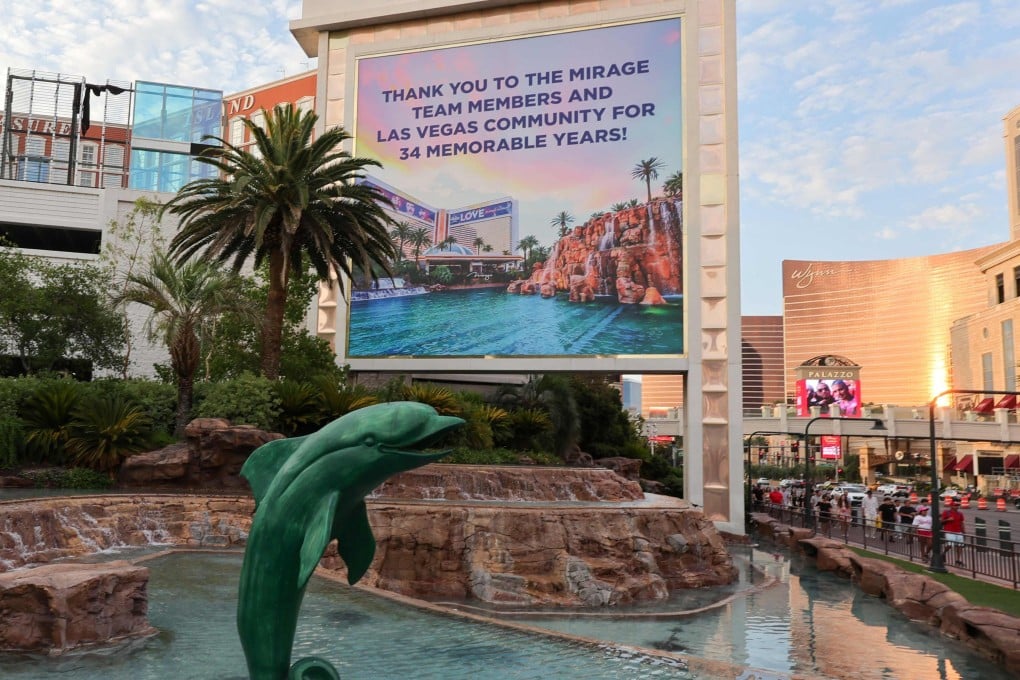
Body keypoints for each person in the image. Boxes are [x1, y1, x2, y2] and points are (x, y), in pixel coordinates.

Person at [941, 499, 966, 566]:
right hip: (949, 531)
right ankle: (943, 553)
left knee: (960, 546)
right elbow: (941, 521)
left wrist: (963, 531)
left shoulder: (960, 513)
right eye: (955, 505)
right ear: (951, 506)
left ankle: (958, 559)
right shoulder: (946, 512)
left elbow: (961, 522)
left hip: (958, 531)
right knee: (950, 545)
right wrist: (948, 519)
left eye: (958, 505)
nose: (957, 507)